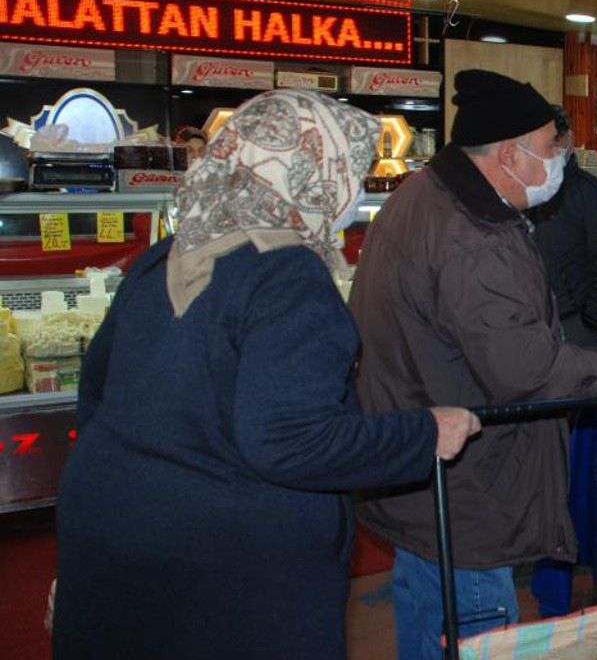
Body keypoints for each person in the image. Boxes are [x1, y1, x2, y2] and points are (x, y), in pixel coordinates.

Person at [53, 90, 481, 660]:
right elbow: (288, 439)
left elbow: (97, 390)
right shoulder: (285, 274)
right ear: (313, 168)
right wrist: (425, 432)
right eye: (350, 167)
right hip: (224, 566)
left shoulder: (163, 256)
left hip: (109, 527)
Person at [348, 70, 597, 660]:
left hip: (420, 468)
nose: (559, 159)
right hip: (469, 486)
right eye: (552, 148)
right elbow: (522, 369)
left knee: (430, 621)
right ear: (509, 154)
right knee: (476, 632)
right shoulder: (472, 234)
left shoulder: (425, 195)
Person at [530, 105, 597, 346]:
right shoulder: (525, 189)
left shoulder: (593, 194)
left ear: (569, 140)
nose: (549, 150)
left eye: (556, 141)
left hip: (574, 326)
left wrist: (590, 320)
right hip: (530, 325)